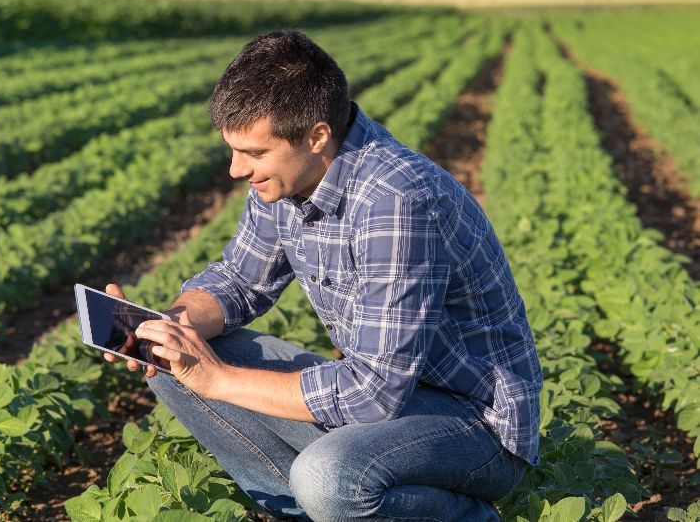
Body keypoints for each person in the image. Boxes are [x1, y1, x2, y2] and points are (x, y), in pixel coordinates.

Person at [103, 29, 542, 521]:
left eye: (254, 153)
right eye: (233, 150)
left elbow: (373, 394)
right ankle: (306, 515)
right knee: (170, 360)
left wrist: (218, 379)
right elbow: (241, 282)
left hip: (471, 423)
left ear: (316, 136)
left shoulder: (396, 201)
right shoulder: (289, 175)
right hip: (391, 400)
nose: (235, 169)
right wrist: (166, 326)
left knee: (328, 476)